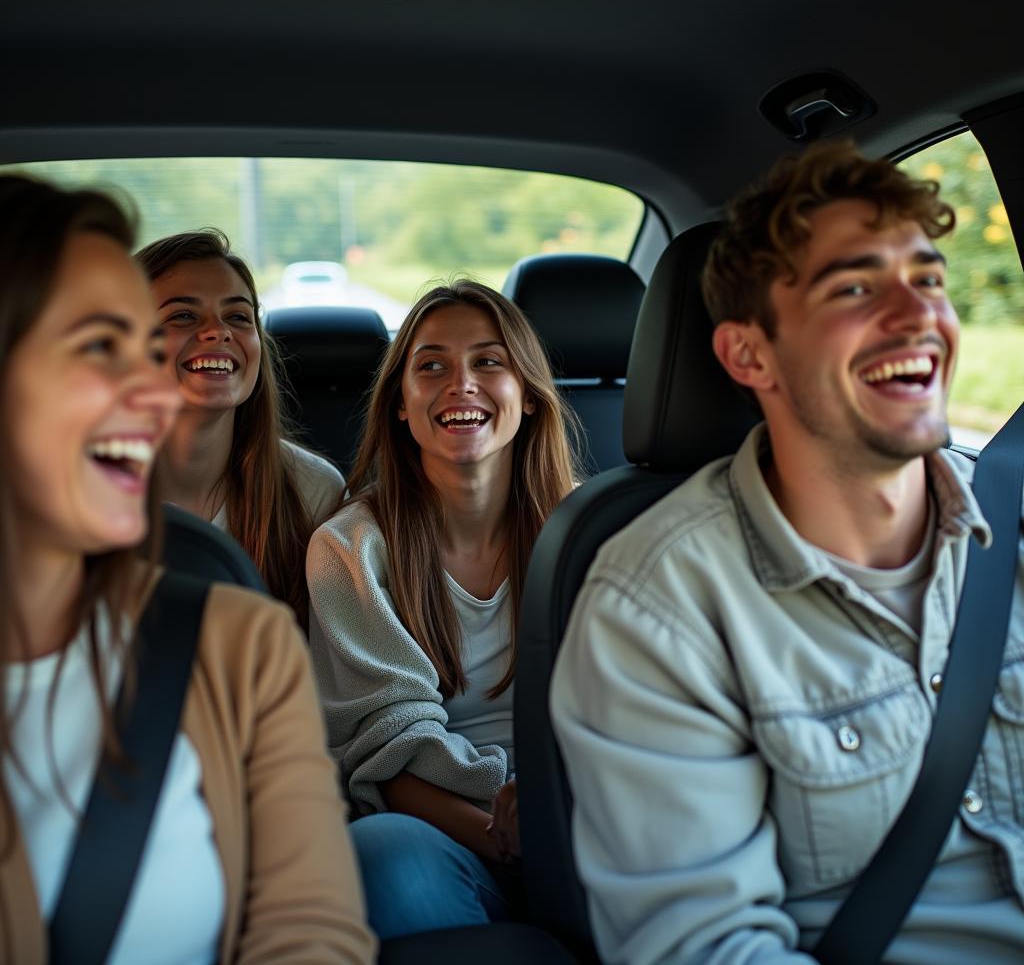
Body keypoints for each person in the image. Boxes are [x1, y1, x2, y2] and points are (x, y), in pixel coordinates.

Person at [551, 141, 1024, 962]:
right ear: (748, 354)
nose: (918, 315)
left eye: (929, 279)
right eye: (855, 286)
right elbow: (709, 948)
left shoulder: (1013, 514)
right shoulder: (658, 609)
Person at [0, 175, 375, 964]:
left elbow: (311, 930)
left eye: (142, 348)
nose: (146, 387)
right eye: (102, 346)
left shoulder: (244, 643)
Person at [308, 279, 578, 939]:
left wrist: (558, 812)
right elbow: (386, 753)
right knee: (385, 857)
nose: (462, 383)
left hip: (589, 814)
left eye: (489, 361)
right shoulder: (350, 548)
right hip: (451, 832)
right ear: (401, 403)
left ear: (530, 396)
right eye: (431, 365)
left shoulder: (593, 533)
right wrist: (508, 835)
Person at [136, 230, 344, 631]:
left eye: (237, 316)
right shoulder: (69, 493)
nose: (219, 331)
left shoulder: (313, 491)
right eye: (183, 315)